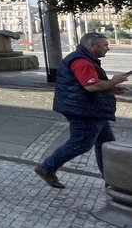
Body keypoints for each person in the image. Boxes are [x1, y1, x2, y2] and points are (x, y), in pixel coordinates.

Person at [34, 32, 128, 190]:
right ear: (92, 46)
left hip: (90, 109)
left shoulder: (84, 59)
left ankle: (111, 179)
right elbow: (90, 86)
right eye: (105, 45)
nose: (108, 48)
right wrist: (113, 81)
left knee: (105, 144)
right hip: (84, 111)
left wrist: (111, 88)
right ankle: (47, 167)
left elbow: (87, 84)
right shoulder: (82, 61)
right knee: (81, 144)